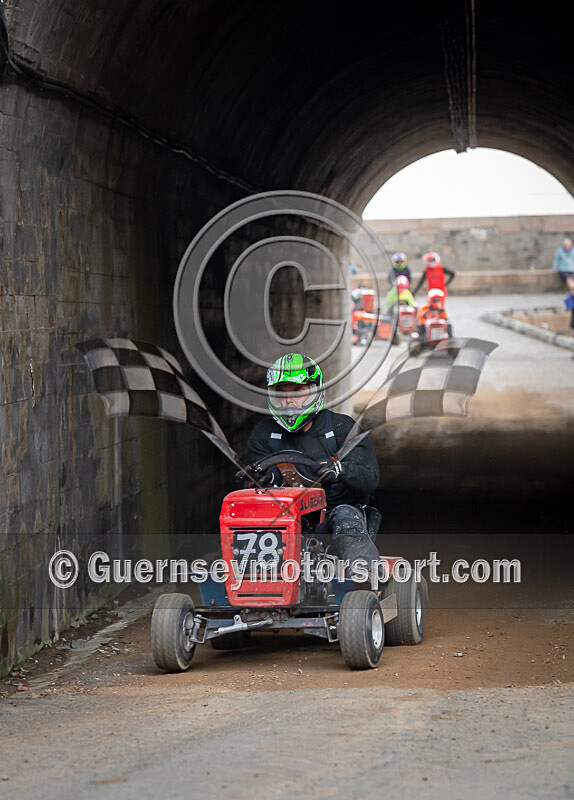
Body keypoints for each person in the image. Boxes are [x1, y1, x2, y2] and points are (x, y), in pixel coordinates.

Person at [246, 353, 381, 582]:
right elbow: (257, 482)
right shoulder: (264, 434)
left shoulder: (340, 428)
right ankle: (249, 578)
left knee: (345, 514)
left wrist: (339, 470)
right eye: (282, 393)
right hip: (284, 520)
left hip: (333, 519)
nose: (289, 400)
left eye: (297, 392)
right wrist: (262, 478)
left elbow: (370, 477)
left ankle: (363, 574)